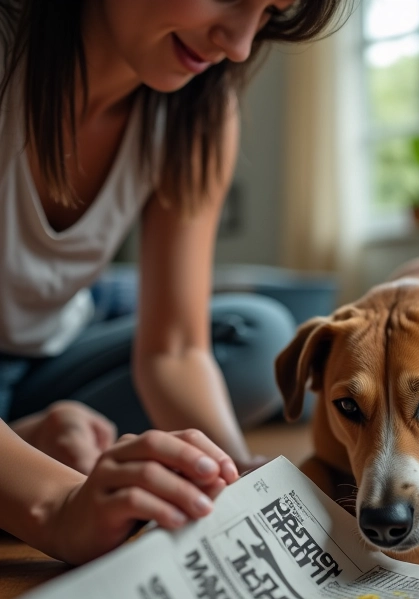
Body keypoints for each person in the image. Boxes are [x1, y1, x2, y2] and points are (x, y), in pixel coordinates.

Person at [0, 0, 348, 566]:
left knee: (255, 336)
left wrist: (230, 479)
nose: (238, 43)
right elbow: (61, 510)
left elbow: (175, 350)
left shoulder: (201, 111)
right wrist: (58, 504)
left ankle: (29, 439)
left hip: (49, 346)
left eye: (268, 11)